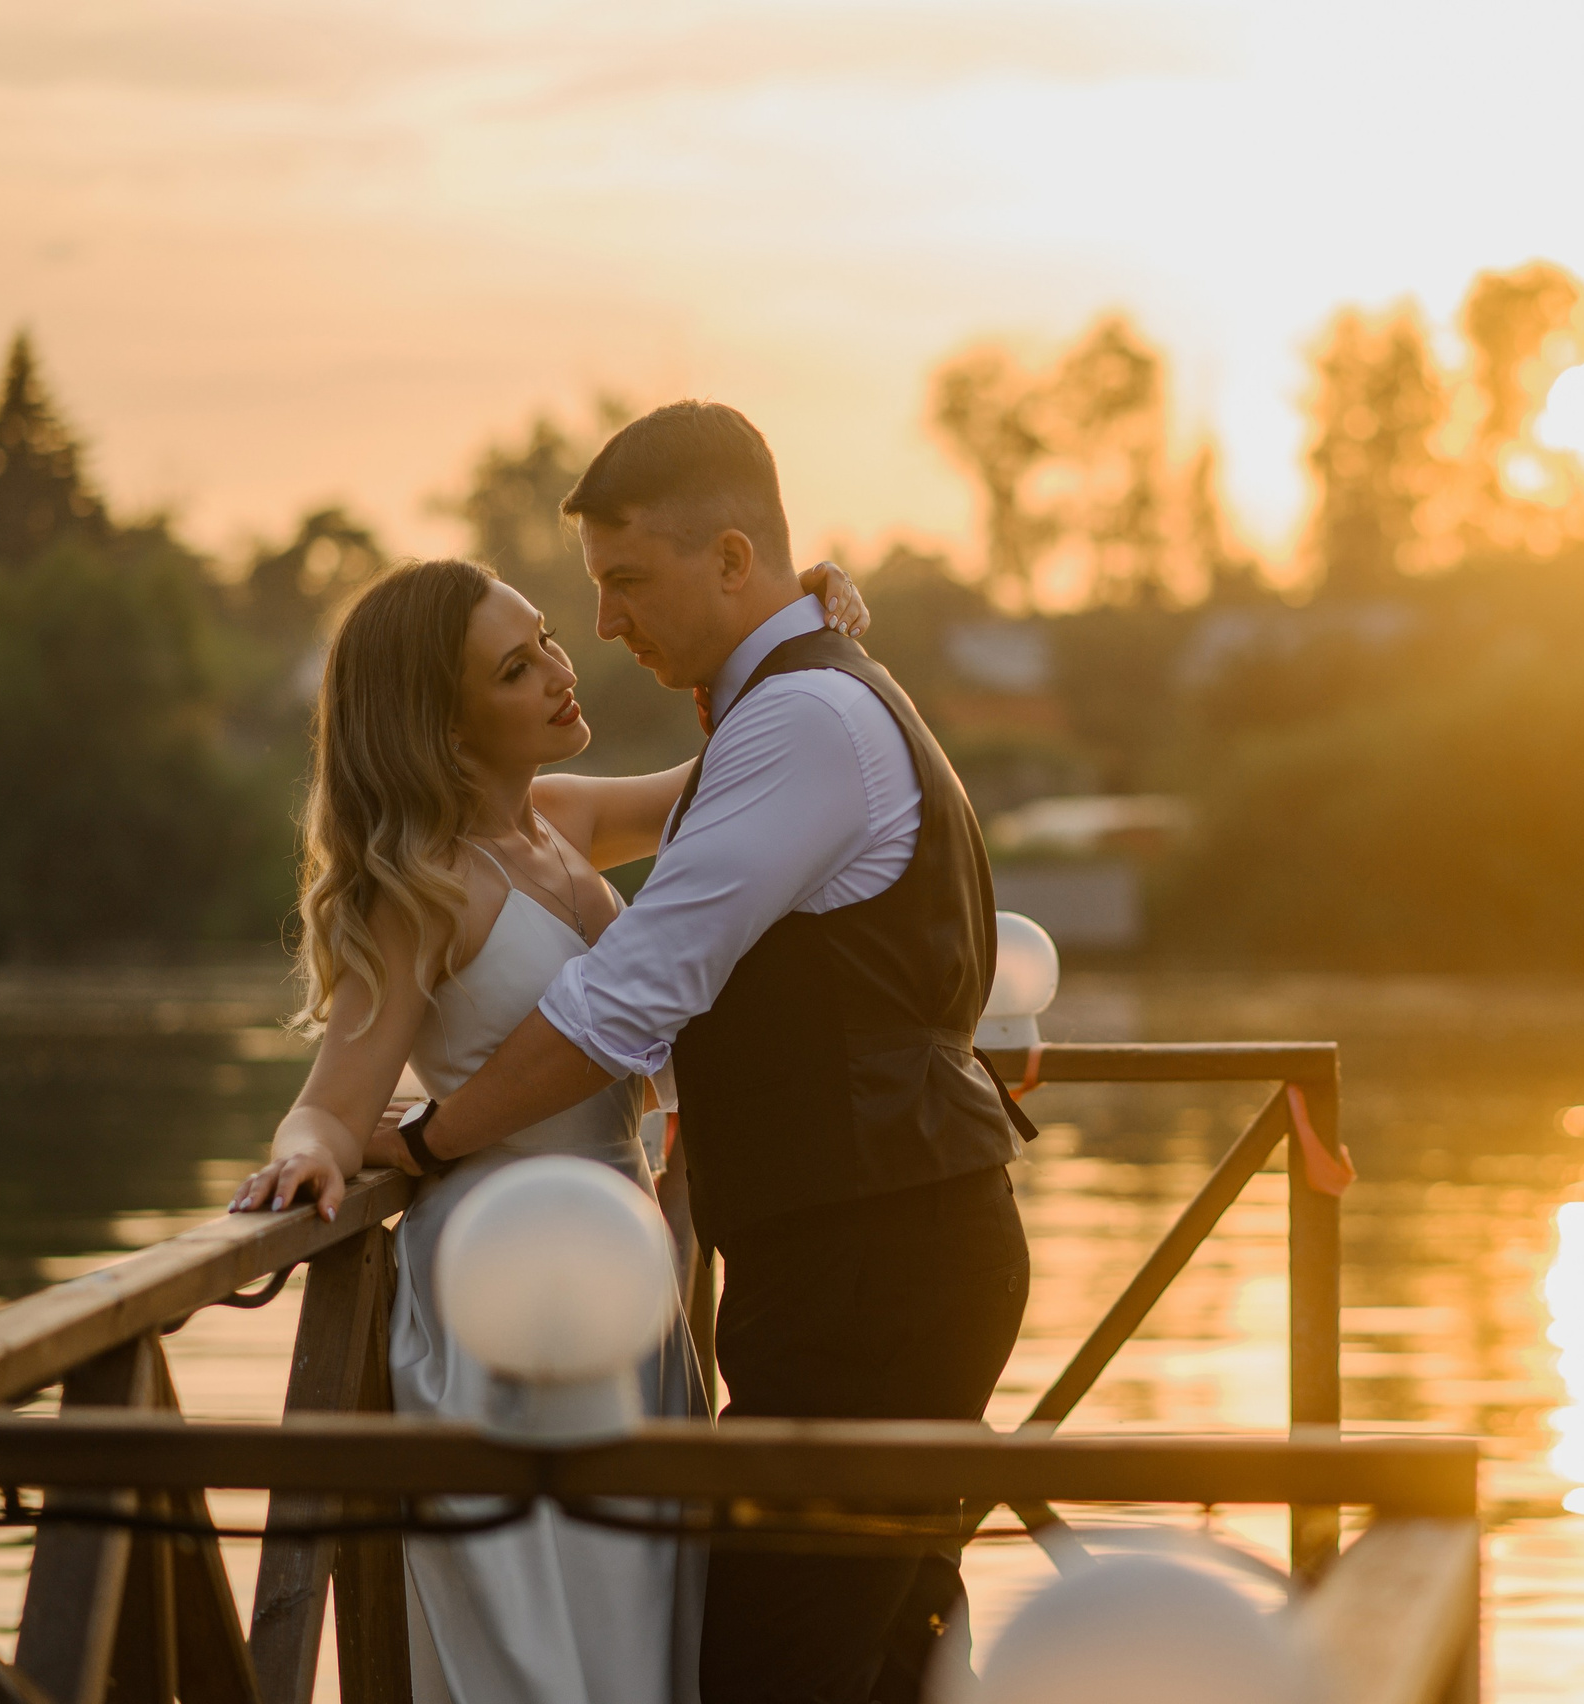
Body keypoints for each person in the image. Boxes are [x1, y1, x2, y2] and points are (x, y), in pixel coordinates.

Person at [372, 401, 1036, 1704]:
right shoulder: (799, 703)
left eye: (625, 583)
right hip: (877, 1252)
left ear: (734, 562)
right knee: (881, 1661)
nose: (608, 627)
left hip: (875, 1273)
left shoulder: (798, 723)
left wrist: (418, 1146)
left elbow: (624, 1002)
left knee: (775, 1669)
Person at [229, 550, 870, 1704]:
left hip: (630, 1281)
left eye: (547, 643)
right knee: (538, 1646)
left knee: (639, 1629)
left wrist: (801, 627)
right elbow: (335, 1096)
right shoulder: (416, 886)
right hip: (504, 1298)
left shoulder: (562, 818)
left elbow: (746, 770)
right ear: (444, 723)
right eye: (517, 669)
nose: (561, 674)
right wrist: (306, 1160)